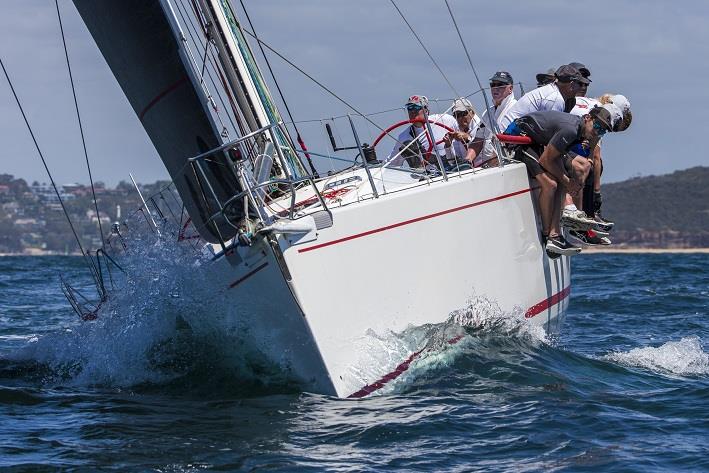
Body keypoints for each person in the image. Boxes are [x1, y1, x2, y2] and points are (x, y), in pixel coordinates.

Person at [504, 107, 615, 256]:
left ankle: (556, 235)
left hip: (536, 142)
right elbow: (546, 160)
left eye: (602, 131)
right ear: (588, 118)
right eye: (596, 126)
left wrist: (569, 181)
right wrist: (569, 182)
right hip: (519, 138)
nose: (597, 132)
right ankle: (547, 235)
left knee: (563, 180)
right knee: (550, 184)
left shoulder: (582, 131)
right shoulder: (571, 130)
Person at [501, 64, 589, 129]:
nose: (582, 87)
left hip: (512, 132)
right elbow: (552, 133)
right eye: (580, 84)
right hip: (510, 136)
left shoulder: (552, 91)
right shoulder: (556, 99)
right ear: (572, 85)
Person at [387, 95, 457, 168]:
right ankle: (420, 170)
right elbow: (392, 163)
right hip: (428, 176)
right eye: (409, 108)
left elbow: (463, 136)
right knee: (407, 145)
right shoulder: (404, 137)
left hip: (454, 168)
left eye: (416, 107)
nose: (412, 111)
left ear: (426, 111)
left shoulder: (444, 120)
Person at [467, 71, 518, 167]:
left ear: (510, 88)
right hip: (489, 168)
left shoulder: (516, 109)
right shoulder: (487, 113)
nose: (495, 88)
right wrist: (468, 160)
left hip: (509, 165)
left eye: (500, 85)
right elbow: (478, 140)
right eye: (493, 85)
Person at [441, 97, 482, 167]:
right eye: (457, 115)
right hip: (469, 171)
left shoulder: (482, 126)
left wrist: (467, 138)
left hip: (486, 167)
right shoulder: (458, 131)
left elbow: (486, 150)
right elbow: (453, 162)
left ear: (472, 112)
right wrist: (448, 145)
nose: (460, 118)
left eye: (463, 114)